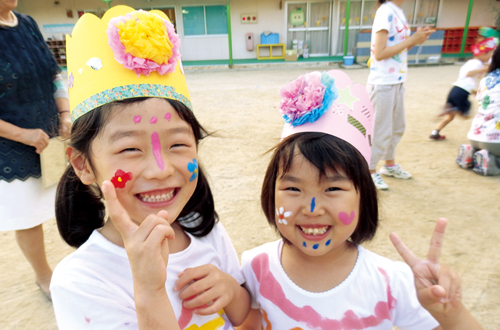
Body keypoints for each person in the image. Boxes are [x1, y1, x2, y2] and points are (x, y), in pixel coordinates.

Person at [50, 6, 250, 329]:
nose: (160, 170)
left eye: (178, 145)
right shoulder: (80, 281)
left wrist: (231, 289)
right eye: (130, 149)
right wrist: (149, 291)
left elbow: (248, 319)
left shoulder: (206, 229)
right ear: (82, 164)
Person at [237, 70, 483, 330]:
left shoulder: (392, 282)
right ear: (270, 193)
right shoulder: (256, 266)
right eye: (293, 189)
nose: (312, 209)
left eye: (332, 189)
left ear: (363, 197)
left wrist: (451, 313)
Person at [0, 0, 71, 299]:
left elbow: (54, 74)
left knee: (68, 200)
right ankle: (44, 276)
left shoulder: (27, 23)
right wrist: (22, 135)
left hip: (50, 139)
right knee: (28, 217)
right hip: (11, 149)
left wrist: (65, 113)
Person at [367, 0, 435, 190]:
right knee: (380, 130)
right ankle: (370, 171)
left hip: (397, 80)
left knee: (397, 126)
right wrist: (412, 40)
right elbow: (379, 54)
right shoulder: (384, 12)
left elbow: (397, 51)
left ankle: (389, 164)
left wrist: (415, 40)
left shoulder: (397, 12)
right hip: (383, 82)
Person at [429, 37, 498, 140]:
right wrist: (483, 68)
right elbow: (468, 74)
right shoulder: (478, 63)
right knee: (466, 115)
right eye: (489, 54)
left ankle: (435, 132)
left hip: (455, 90)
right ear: (483, 54)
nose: (489, 58)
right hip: (461, 92)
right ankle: (455, 109)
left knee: (450, 117)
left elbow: (465, 79)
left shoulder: (470, 62)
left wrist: (474, 91)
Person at [456, 44, 500, 176]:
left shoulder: (486, 80)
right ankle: (490, 160)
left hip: (475, 135)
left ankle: (471, 151)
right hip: (496, 141)